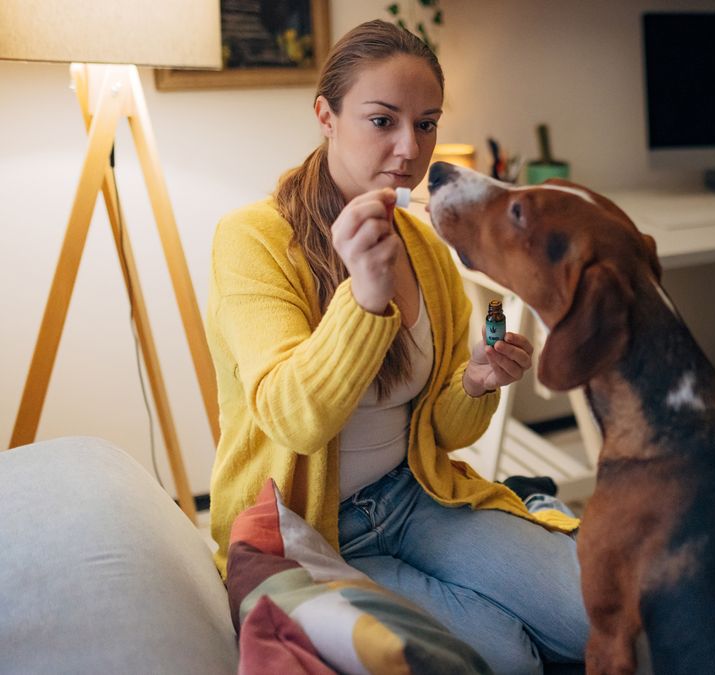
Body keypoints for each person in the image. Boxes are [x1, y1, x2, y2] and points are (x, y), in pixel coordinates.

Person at [205, 20, 588, 673]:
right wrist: (364, 297)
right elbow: (295, 418)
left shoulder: (426, 249)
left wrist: (474, 383)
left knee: (596, 618)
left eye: (427, 122)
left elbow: (439, 432)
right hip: (317, 528)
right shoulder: (253, 240)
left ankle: (521, 527)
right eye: (382, 121)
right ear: (326, 114)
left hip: (417, 494)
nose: (410, 147)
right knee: (509, 661)